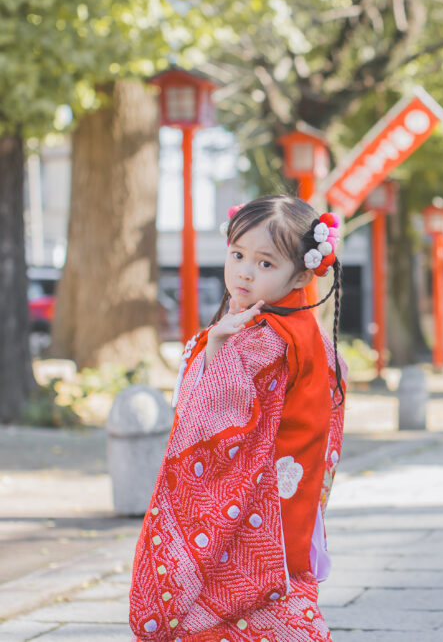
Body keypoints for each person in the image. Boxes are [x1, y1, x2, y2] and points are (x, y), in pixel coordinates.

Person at [129, 195, 347, 640]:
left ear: (302, 274)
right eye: (237, 255)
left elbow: (206, 423)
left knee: (230, 596)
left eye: (265, 263)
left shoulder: (261, 339)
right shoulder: (308, 333)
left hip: (251, 502)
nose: (245, 272)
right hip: (291, 496)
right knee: (281, 594)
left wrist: (214, 348)